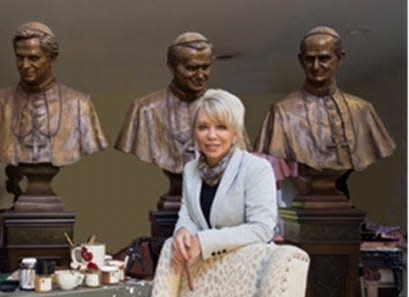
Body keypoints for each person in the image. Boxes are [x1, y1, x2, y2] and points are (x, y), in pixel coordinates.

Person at [152, 89, 277, 295]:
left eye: (221, 127)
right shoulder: (191, 170)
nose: (212, 136)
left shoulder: (256, 168)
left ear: (235, 133)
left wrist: (203, 241)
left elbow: (262, 229)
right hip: (208, 276)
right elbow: (187, 216)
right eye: (203, 127)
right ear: (195, 132)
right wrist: (183, 231)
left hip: (248, 275)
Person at [254, 26, 395, 192]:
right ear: (301, 61)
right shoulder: (282, 112)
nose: (316, 66)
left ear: (340, 58)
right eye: (309, 59)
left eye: (324, 58)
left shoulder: (363, 110)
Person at [0, 22, 108, 167]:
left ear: (52, 58)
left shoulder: (80, 104)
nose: (25, 65)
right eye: (20, 57)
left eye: (33, 58)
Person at [115, 32, 219, 174]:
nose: (201, 75)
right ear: (172, 67)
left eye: (205, 67)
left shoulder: (225, 107)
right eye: (191, 68)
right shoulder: (144, 109)